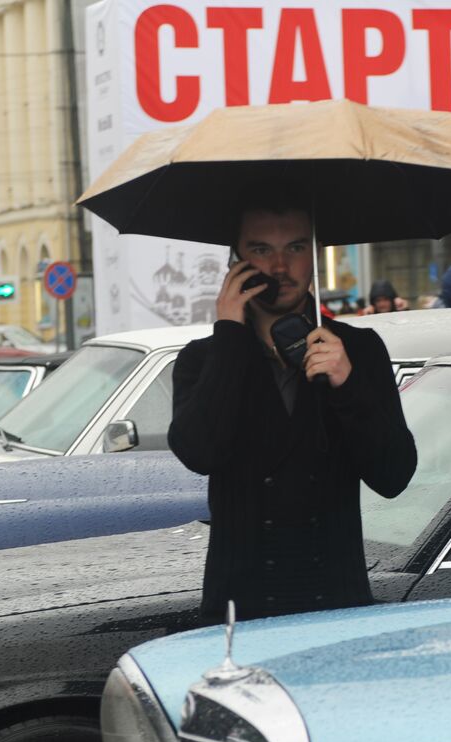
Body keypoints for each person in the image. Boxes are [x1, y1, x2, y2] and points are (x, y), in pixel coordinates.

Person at [168, 192, 416, 622]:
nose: (280, 267)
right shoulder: (204, 357)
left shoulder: (356, 350)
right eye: (261, 250)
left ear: (315, 257)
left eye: (296, 248)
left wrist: (347, 384)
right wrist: (229, 333)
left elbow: (394, 475)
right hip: (240, 611)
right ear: (236, 262)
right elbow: (198, 452)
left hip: (334, 605)